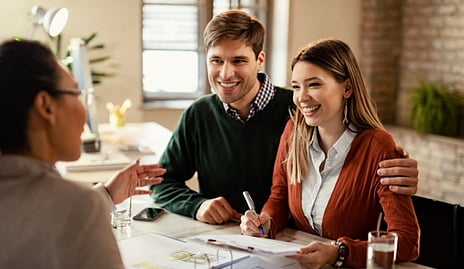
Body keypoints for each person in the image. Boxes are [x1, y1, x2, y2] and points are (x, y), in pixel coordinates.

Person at [151, 9, 420, 225]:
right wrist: (198, 205)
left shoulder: (301, 112)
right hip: (226, 241)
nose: (225, 73)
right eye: (216, 60)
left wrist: (394, 165)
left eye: (239, 61)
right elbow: (163, 183)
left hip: (294, 240)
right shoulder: (198, 115)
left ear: (260, 60)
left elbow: (352, 155)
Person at [0, 39, 165, 268]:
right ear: (46, 106)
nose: (84, 110)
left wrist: (106, 195)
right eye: (77, 93)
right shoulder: (77, 206)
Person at [240, 38, 420, 268]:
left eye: (314, 84)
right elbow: (279, 197)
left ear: (347, 88)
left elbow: (407, 242)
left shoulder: (378, 147)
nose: (301, 97)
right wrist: (264, 222)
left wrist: (340, 252)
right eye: (296, 86)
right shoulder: (293, 132)